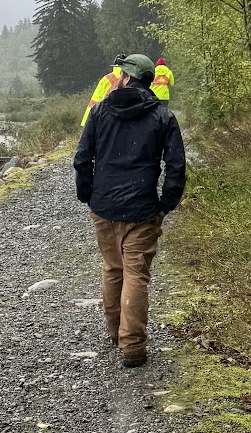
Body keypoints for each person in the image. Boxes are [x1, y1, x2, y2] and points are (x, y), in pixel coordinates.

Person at [74, 52, 186, 368]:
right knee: (136, 273)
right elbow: (176, 166)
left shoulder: (98, 113)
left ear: (124, 78)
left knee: (113, 268)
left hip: (104, 207)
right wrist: (166, 204)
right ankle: (132, 346)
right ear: (149, 82)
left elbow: (82, 158)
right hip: (142, 209)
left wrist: (87, 195)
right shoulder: (163, 117)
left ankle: (116, 334)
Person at [81, 54, 175, 124]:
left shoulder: (100, 112)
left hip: (104, 115)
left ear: (126, 78)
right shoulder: (165, 117)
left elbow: (84, 149)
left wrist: (89, 121)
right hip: (163, 96)